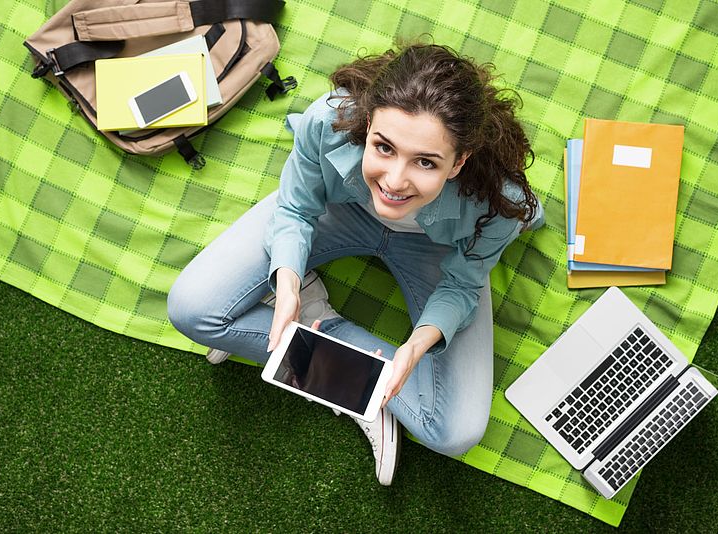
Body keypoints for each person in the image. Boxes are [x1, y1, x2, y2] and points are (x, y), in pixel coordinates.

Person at [167, 43, 544, 486]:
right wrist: (288, 283)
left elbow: (462, 286)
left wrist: (417, 346)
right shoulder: (326, 120)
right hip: (342, 210)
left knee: (452, 431)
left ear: (459, 161)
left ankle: (335, 351)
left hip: (436, 250)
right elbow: (295, 210)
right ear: (367, 125)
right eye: (384, 147)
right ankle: (331, 340)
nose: (395, 181)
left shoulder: (499, 204)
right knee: (192, 311)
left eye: (425, 162)